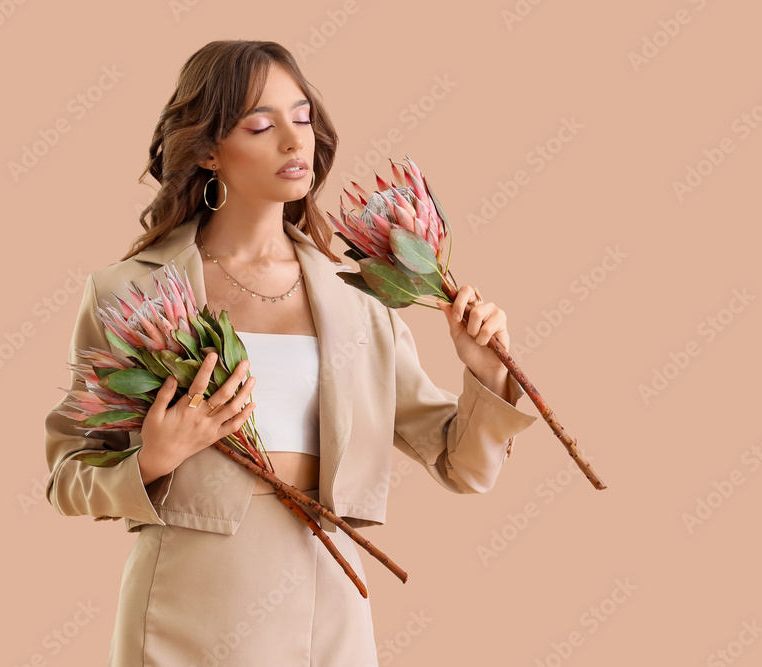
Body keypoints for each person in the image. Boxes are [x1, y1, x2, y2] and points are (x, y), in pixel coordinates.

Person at [43, 40, 538, 666]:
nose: (293, 141)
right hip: (182, 605)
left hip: (326, 607)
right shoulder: (128, 292)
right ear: (207, 149)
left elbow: (462, 466)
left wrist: (485, 371)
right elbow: (68, 475)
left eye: (302, 118)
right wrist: (152, 459)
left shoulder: (360, 300)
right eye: (261, 124)